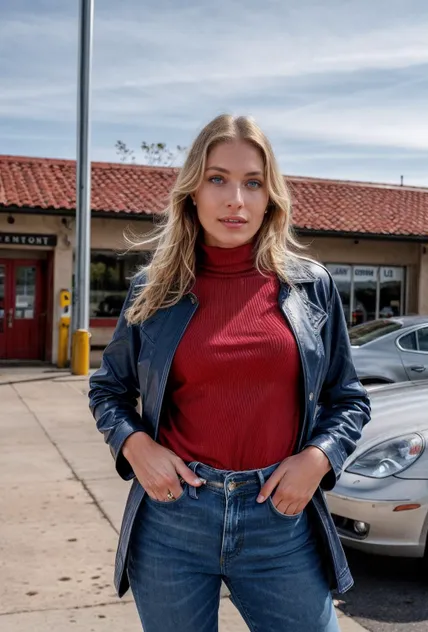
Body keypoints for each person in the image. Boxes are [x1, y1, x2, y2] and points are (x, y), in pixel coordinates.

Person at [89, 114, 371, 632]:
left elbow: (349, 399)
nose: (235, 199)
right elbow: (108, 390)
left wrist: (317, 459)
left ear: (271, 198)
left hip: (280, 521)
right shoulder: (154, 289)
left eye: (252, 182)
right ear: (192, 191)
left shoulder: (310, 287)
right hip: (174, 520)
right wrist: (137, 447)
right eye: (218, 178)